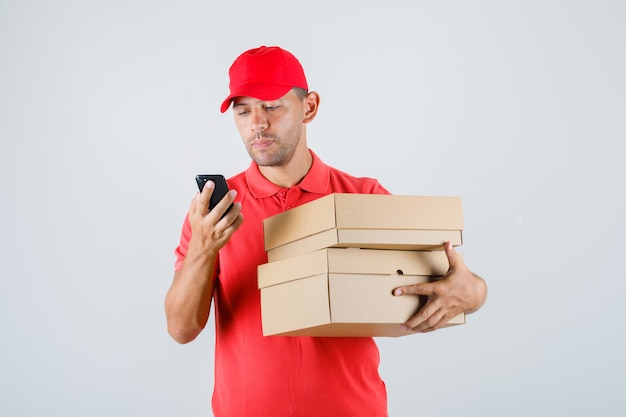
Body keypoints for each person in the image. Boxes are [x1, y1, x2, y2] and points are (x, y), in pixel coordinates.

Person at [165, 45, 488, 417]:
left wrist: (474, 293)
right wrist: (203, 249)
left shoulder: (364, 197)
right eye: (243, 110)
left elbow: (458, 279)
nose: (257, 122)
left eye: (272, 106)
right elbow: (181, 329)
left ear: (310, 107)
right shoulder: (213, 213)